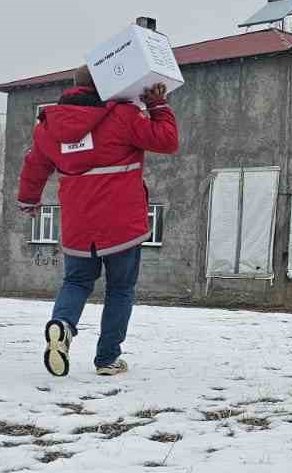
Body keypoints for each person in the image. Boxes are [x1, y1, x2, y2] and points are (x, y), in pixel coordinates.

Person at [17, 63, 178, 377]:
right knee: (119, 290)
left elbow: (34, 165)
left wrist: (29, 200)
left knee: (76, 282)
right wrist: (157, 104)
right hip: (122, 225)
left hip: (79, 224)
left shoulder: (48, 126)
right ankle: (107, 359)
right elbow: (167, 140)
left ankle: (62, 327)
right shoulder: (122, 116)